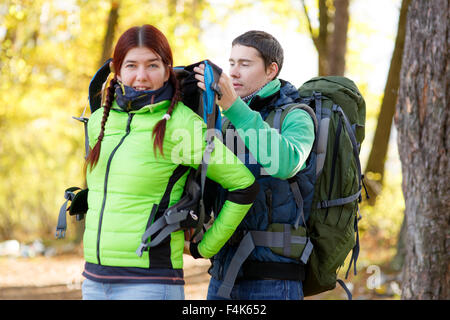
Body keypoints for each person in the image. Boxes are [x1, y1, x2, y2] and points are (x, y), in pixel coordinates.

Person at [81, 24, 259, 300]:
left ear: (167, 70)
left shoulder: (181, 126)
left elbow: (244, 185)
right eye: (131, 65)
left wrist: (206, 247)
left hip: (150, 282)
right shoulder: (99, 122)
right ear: (117, 70)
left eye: (152, 65)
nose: (141, 76)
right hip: (93, 280)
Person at [193, 30, 315, 300]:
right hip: (223, 273)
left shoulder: (297, 115)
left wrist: (235, 108)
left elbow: (286, 164)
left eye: (245, 64)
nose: (233, 72)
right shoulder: (225, 119)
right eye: (232, 63)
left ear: (272, 70)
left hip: (274, 279)